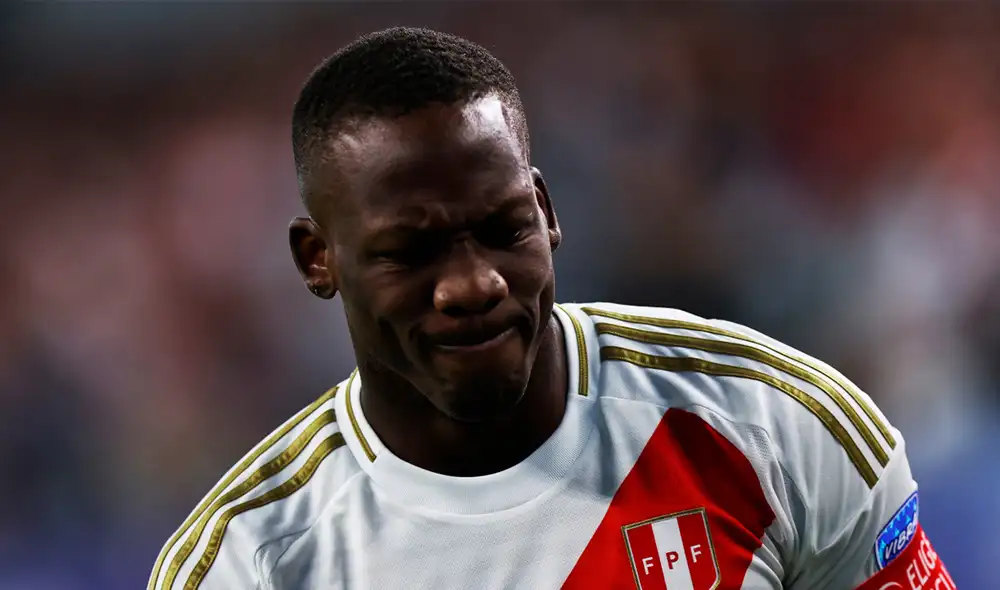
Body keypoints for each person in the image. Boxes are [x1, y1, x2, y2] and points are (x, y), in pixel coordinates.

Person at [148, 27, 953, 590]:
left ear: (546, 210)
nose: (474, 284)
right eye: (411, 250)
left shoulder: (775, 428)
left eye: (504, 229)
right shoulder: (250, 564)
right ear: (317, 259)